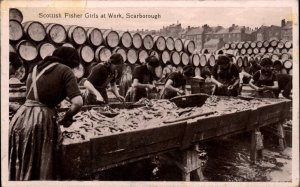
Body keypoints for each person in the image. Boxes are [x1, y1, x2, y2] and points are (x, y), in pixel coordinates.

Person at [9, 47, 83, 180]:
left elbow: (34, 95)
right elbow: (78, 102)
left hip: (21, 117)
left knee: (24, 163)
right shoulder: (65, 70)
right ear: (71, 62)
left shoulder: (36, 67)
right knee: (41, 164)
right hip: (40, 120)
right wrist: (67, 116)